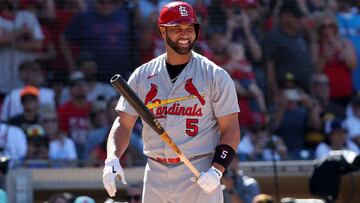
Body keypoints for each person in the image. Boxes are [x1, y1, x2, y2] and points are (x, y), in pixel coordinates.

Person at [102, 2, 240, 203]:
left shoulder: (215, 75)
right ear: (162, 31)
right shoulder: (143, 74)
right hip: (155, 171)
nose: (185, 34)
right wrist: (112, 157)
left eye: (189, 28)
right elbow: (123, 123)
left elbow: (231, 129)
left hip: (198, 171)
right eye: (177, 29)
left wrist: (217, 169)